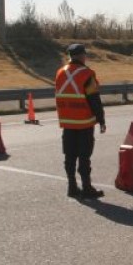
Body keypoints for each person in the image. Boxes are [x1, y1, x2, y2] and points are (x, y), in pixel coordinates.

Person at [55, 44, 106, 199]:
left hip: (67, 123)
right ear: (82, 55)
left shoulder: (60, 73)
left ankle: (71, 187)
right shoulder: (86, 74)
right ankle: (86, 187)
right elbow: (94, 99)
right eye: (85, 54)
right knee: (84, 156)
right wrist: (101, 119)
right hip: (84, 122)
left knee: (69, 156)